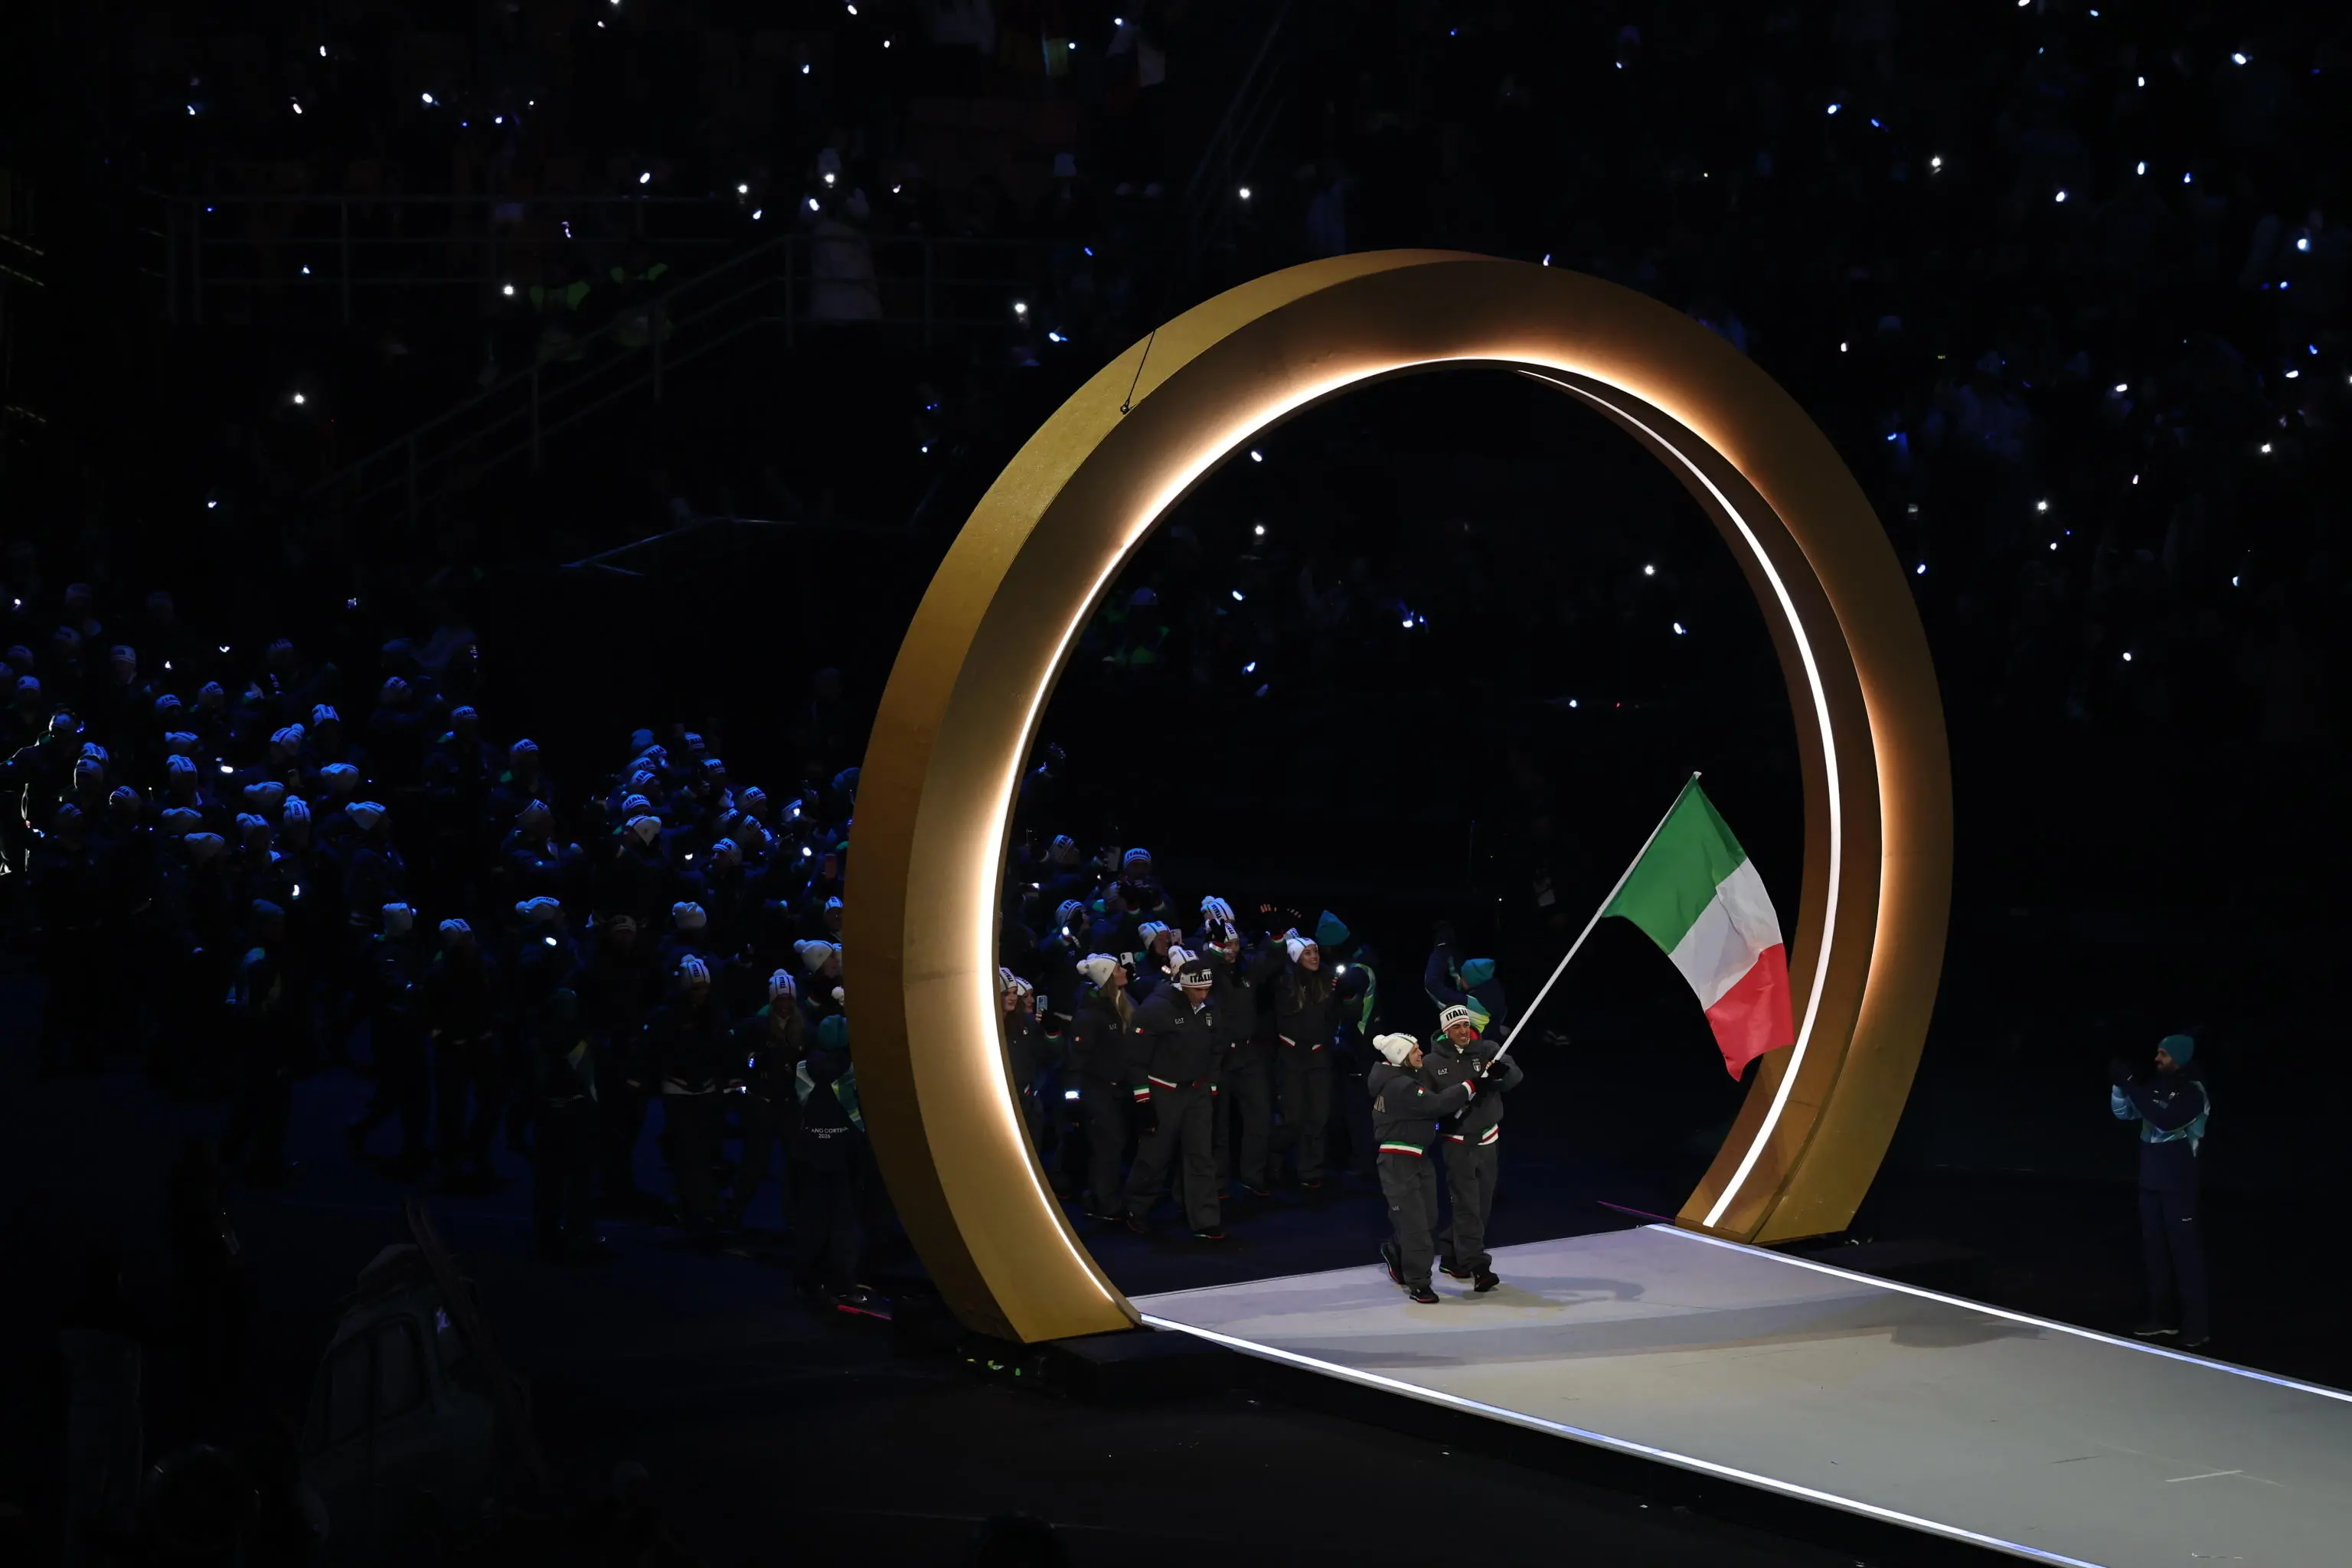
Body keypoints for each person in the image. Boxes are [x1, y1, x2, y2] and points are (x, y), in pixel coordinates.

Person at [2111, 1034, 2211, 1348]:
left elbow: (2166, 1121)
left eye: (2164, 1054)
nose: (2157, 1058)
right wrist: (2119, 1087)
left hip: (2178, 1186)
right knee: (2155, 1255)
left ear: (2179, 1058)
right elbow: (2125, 1113)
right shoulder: (2156, 1084)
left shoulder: (2193, 1092)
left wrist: (2130, 1085)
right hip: (2150, 1183)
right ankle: (2163, 1320)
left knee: (2185, 1257)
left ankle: (2197, 1326)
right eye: (2157, 1052)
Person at [1367, 1032, 1478, 1303]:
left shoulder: (1403, 1079)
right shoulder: (1400, 1085)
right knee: (1416, 1227)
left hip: (1419, 1158)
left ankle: (1396, 1250)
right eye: (1415, 1050)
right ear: (1400, 1056)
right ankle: (1419, 1283)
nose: (1421, 1054)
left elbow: (1427, 1113)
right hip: (1399, 1162)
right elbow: (1435, 1104)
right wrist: (1469, 1086)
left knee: (1427, 1219)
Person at [1123, 952, 1224, 1240]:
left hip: (1198, 1091)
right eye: (1198, 990)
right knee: (1155, 1156)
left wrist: (1212, 1085)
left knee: (1201, 1155)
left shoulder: (1209, 1009)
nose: (1204, 995)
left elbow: (1217, 1049)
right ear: (1184, 986)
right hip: (1162, 1091)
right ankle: (1136, 1208)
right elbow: (1135, 1059)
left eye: (1207, 989)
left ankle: (1204, 1219)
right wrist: (1143, 1100)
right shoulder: (1155, 1009)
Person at [1423, 1004, 1524, 1292]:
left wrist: (1502, 1072)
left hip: (1488, 1139)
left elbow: (1515, 1078)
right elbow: (1430, 1104)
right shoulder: (1431, 1063)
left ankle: (1452, 1252)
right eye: (1456, 1027)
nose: (1464, 1031)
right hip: (1457, 1144)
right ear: (1446, 1031)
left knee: (1482, 1205)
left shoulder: (1488, 1049)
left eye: (1466, 1025)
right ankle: (1478, 1266)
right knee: (1467, 1205)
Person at [794, 1014, 882, 1315]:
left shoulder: (803, 1068)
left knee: (813, 1218)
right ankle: (843, 1283)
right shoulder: (852, 1072)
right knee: (845, 1221)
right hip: (845, 1154)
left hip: (811, 1151)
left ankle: (808, 1281)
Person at [346, 902, 431, 1174]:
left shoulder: (386, 945)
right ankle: (361, 1130)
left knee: (408, 1092)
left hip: (398, 1029)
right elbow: (391, 979)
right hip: (396, 1032)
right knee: (398, 1091)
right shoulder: (389, 952)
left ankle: (413, 1145)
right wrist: (410, 991)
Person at [650, 954, 730, 1232]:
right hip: (679, 1089)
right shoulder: (667, 1016)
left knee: (703, 1151)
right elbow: (658, 1051)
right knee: (687, 1151)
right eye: (696, 988)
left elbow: (723, 1051)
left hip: (706, 1090)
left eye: (705, 988)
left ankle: (692, 1205)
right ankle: (698, 1207)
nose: (702, 993)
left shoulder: (716, 1015)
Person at [726, 969, 805, 1230]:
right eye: (779, 1000)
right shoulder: (754, 1028)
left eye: (788, 1000)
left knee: (795, 1162)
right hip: (760, 1103)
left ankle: (796, 1220)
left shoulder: (805, 1029)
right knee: (754, 1161)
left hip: (788, 1105)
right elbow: (732, 1052)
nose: (784, 1006)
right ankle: (735, 1212)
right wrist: (740, 1079)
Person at [533, 987, 606, 1261]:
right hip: (576, 1117)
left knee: (550, 1180)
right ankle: (578, 1235)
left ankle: (548, 1235)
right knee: (579, 1178)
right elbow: (590, 1084)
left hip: (550, 1118)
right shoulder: (580, 1043)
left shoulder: (539, 1041)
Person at [1067, 953, 1137, 1220]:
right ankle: (1103, 1202)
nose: (1124, 971)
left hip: (1119, 1088)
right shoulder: (1090, 1015)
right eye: (1118, 968)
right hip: (1097, 1090)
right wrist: (1073, 1101)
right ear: (1109, 976)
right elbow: (1077, 1060)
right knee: (1107, 1145)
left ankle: (1103, 1195)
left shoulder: (1124, 1004)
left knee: (1116, 1144)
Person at [1269, 929, 1338, 1189]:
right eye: (1307, 953)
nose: (1314, 956)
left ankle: (1310, 1170)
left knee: (1318, 1117)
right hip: (1291, 1057)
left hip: (1319, 1056)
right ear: (1296, 957)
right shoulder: (1284, 982)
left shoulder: (1329, 979)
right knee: (1293, 1119)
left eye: (1316, 951)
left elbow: (1335, 1015)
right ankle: (1274, 1155)